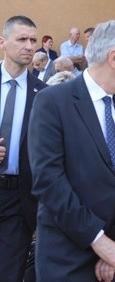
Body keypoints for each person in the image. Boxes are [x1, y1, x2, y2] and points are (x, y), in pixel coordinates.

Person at [29, 20, 115, 281]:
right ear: (114, 57)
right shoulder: (53, 102)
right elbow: (49, 181)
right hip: (67, 260)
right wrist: (99, 241)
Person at [0, 15, 47, 282]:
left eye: (33, 40)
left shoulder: (45, 95)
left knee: (8, 273)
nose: (30, 46)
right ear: (3, 42)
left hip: (19, 200)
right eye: (22, 39)